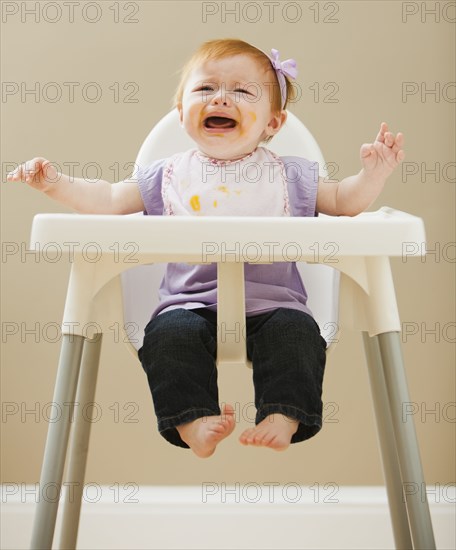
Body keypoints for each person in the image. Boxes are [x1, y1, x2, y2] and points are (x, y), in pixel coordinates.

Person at [7, 38, 405, 458]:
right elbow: (107, 199)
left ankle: (283, 414)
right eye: (205, 89)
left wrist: (373, 176)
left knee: (299, 335)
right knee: (166, 337)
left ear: (273, 122)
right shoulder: (168, 176)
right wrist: (55, 184)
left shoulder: (287, 176)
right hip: (188, 304)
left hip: (276, 307)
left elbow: (344, 202)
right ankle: (192, 421)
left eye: (242, 91)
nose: (221, 97)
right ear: (182, 113)